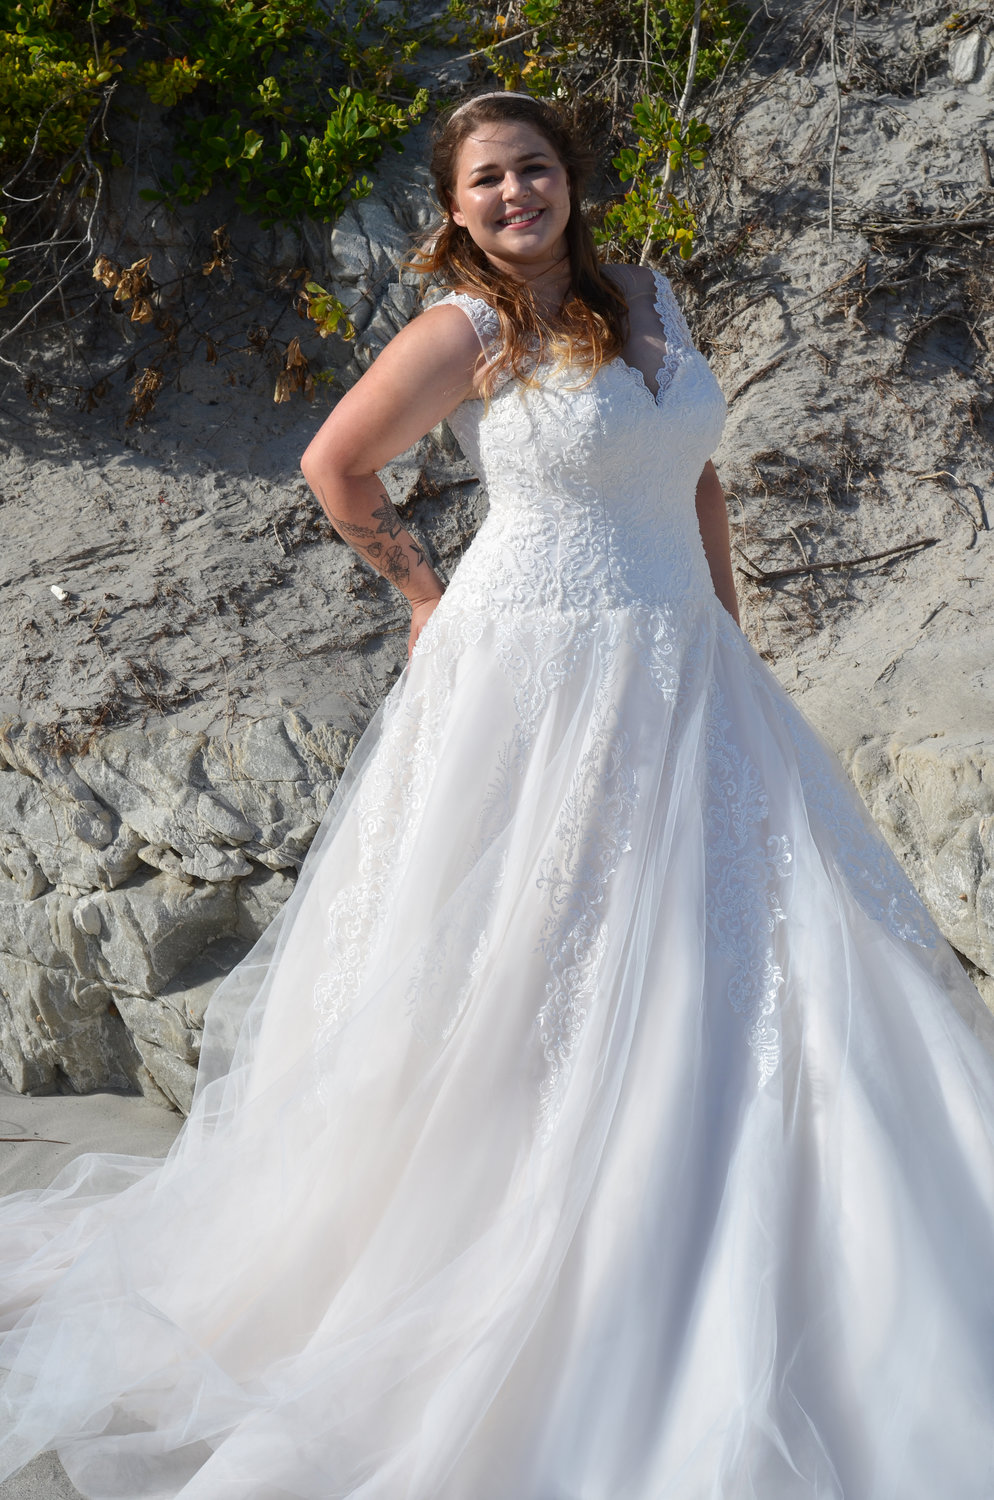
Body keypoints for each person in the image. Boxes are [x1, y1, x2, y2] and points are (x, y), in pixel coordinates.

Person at [1, 89, 994, 1500]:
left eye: (532, 169)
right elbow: (335, 464)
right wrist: (420, 593)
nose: (515, 196)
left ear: (568, 180)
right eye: (486, 182)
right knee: (537, 968)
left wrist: (728, 631)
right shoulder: (470, 329)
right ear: (454, 208)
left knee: (762, 955)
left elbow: (692, 473)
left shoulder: (648, 292)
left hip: (686, 668)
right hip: (537, 676)